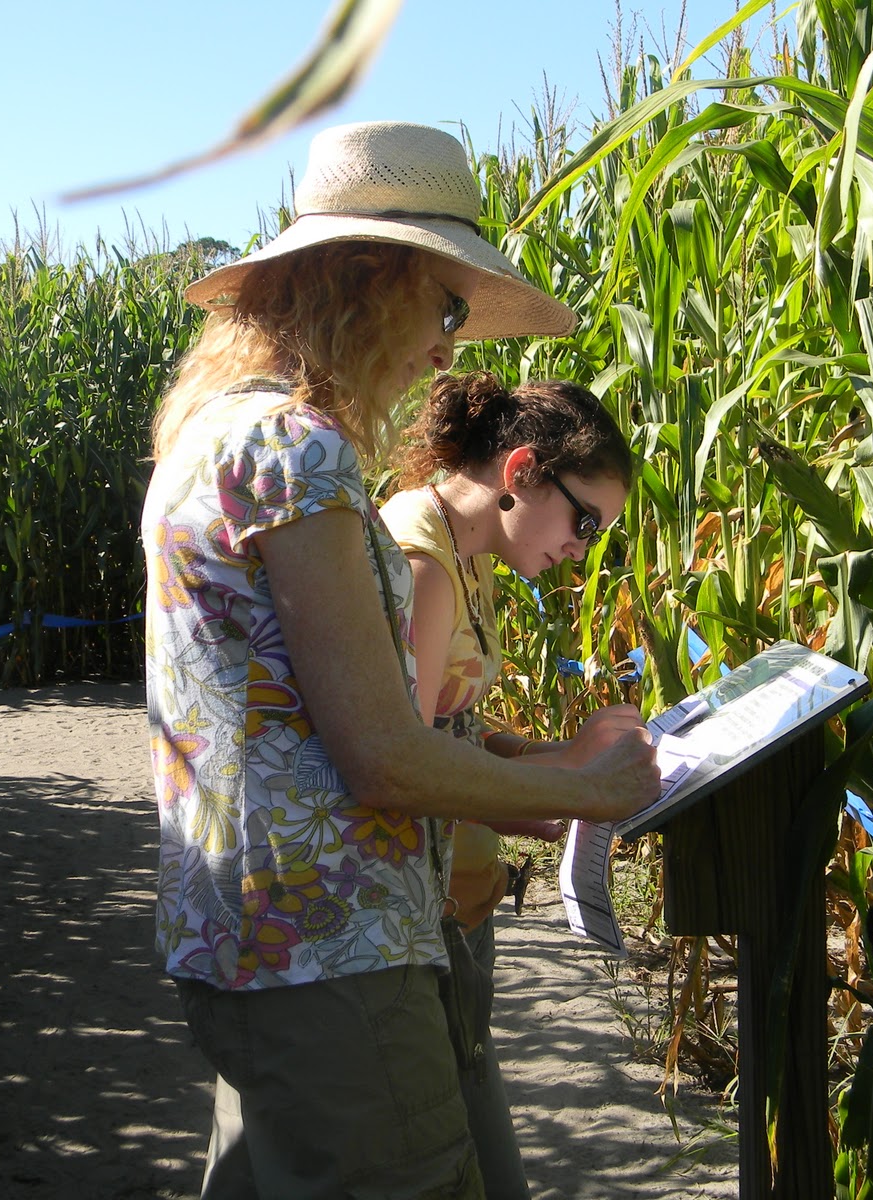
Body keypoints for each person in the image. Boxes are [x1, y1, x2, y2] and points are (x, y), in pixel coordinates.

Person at [140, 120, 660, 1200]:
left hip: (245, 941)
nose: (446, 350)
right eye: (446, 307)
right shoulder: (296, 447)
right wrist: (588, 789)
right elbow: (382, 754)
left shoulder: (214, 433)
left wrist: (530, 779)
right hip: (331, 950)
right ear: (373, 277)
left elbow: (318, 718)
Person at [381, 369, 634, 1200]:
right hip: (416, 927)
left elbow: (455, 733)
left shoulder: (468, 551)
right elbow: (411, 768)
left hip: (458, 906)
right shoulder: (422, 558)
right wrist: (577, 784)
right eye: (585, 520)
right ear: (522, 471)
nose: (581, 548)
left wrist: (560, 749)